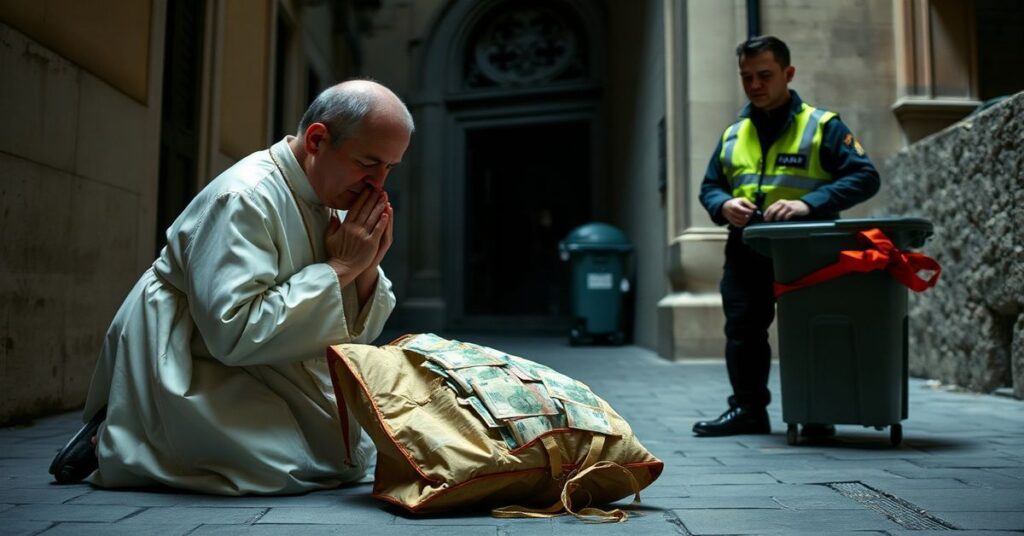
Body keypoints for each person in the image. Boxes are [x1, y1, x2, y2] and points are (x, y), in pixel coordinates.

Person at [48, 80, 414, 494]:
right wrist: (342, 266)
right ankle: (122, 430)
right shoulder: (244, 196)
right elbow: (235, 330)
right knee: (280, 463)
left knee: (349, 453)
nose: (378, 185)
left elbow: (354, 333)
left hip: (265, 353)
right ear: (317, 140)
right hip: (191, 351)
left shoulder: (328, 188)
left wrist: (366, 266)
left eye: (389, 168)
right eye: (369, 162)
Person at [692, 36, 880, 437]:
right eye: (747, 77)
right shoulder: (733, 133)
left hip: (808, 249)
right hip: (747, 249)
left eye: (764, 75)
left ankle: (817, 412)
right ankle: (748, 410)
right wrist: (723, 205)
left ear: (788, 74)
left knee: (814, 327)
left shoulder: (823, 126)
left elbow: (865, 177)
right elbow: (710, 186)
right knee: (743, 329)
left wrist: (809, 203)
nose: (755, 85)